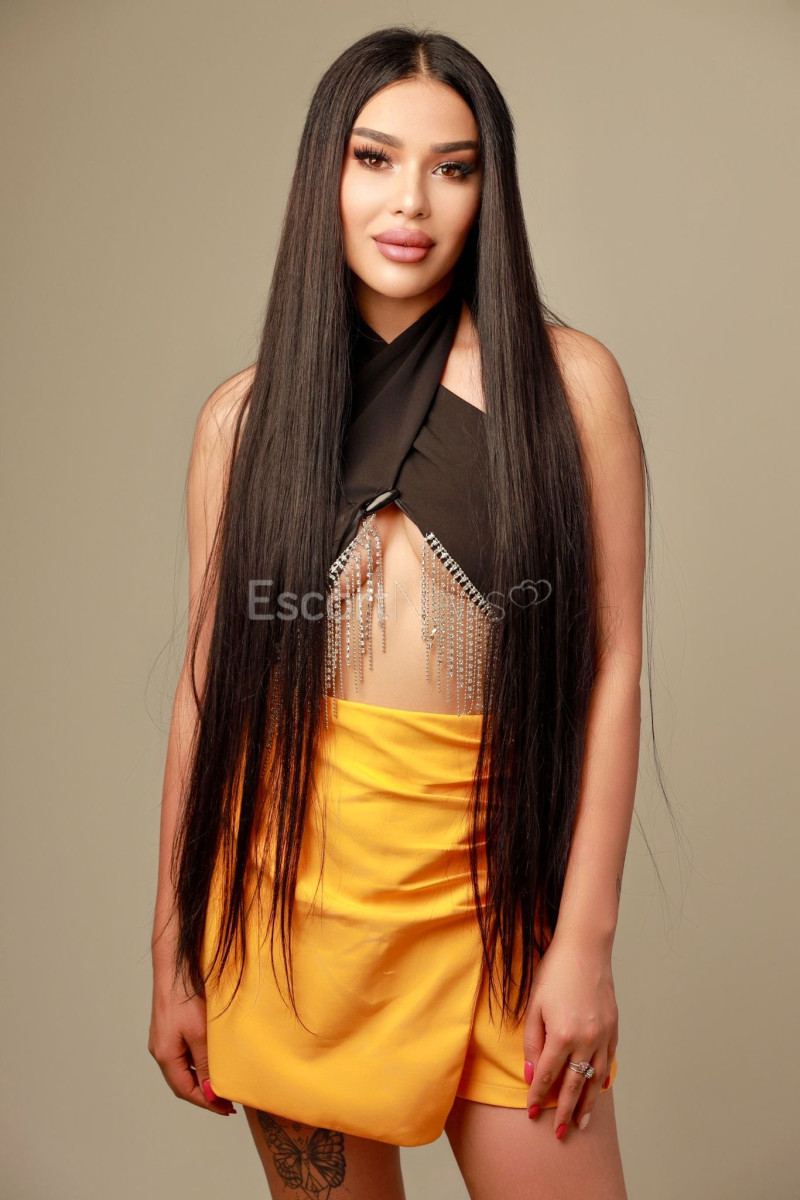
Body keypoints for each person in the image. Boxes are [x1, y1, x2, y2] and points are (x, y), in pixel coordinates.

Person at [149, 24, 652, 1200]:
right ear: (323, 173)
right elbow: (204, 696)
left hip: (498, 894)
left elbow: (613, 665)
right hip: (286, 912)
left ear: (488, 190)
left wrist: (583, 942)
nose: (409, 201)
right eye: (373, 158)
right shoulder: (242, 420)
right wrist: (170, 947)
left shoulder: (567, 387)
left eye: (451, 166)